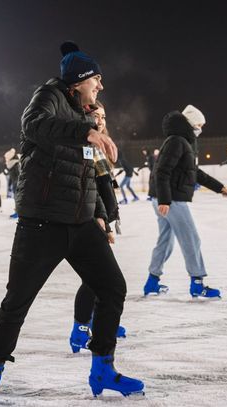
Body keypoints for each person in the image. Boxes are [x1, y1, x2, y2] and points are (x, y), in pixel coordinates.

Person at [0, 41, 143, 407]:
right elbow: (34, 125)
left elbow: (92, 175)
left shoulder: (85, 114)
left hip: (80, 224)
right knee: (16, 303)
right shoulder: (49, 96)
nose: (101, 85)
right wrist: (87, 131)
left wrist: (103, 214)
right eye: (96, 79)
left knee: (112, 288)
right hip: (42, 225)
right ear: (78, 82)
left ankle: (103, 368)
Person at [144, 104, 227, 299]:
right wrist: (165, 200)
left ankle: (152, 282)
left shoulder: (180, 142)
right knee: (191, 239)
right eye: (200, 124)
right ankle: (197, 284)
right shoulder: (177, 141)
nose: (201, 128)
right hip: (171, 200)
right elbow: (162, 171)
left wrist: (218, 187)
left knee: (165, 241)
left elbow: (194, 172)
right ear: (191, 123)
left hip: (164, 199)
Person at [69, 100, 127, 353]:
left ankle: (97, 323)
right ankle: (80, 328)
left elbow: (104, 186)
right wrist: (100, 217)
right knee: (95, 279)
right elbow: (89, 186)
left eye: (104, 116)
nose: (101, 121)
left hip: (100, 216)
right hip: (90, 218)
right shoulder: (86, 147)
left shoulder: (99, 148)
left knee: (99, 279)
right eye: (96, 116)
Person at [4, 148, 20, 218]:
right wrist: (10, 184)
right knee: (16, 198)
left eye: (6, 158)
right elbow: (11, 176)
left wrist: (18, 184)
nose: (6, 159)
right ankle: (17, 212)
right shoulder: (11, 165)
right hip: (14, 183)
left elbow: (19, 175)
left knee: (18, 199)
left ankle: (18, 213)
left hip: (17, 184)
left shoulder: (16, 164)